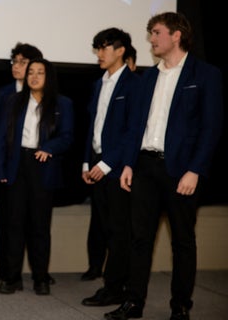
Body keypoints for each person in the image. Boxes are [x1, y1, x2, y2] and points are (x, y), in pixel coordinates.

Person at [105, 12, 223, 320]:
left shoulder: (205, 75)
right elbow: (135, 126)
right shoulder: (148, 78)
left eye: (156, 33)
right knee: (139, 238)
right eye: (150, 34)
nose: (151, 39)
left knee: (183, 241)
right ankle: (134, 302)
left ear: (176, 35)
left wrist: (195, 169)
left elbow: (211, 128)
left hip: (182, 171)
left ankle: (180, 306)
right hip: (144, 167)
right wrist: (129, 164)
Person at [0, 58, 74, 295]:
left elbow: (68, 136)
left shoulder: (63, 103)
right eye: (31, 72)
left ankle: (41, 277)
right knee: (14, 224)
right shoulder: (13, 101)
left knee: (40, 226)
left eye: (40, 72)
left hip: (43, 166)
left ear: (49, 77)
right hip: (17, 165)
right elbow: (1, 136)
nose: (35, 76)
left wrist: (50, 147)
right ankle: (12, 278)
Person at [80, 28, 140, 307]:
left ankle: (115, 289)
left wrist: (105, 164)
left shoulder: (133, 84)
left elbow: (132, 132)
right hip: (96, 166)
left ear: (120, 50)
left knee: (119, 232)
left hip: (116, 171)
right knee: (104, 229)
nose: (100, 53)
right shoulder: (99, 83)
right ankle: (112, 284)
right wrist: (86, 162)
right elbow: (92, 126)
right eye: (98, 48)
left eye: (105, 48)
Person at [0, 42, 44, 283]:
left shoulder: (48, 95)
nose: (17, 66)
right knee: (8, 220)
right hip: (9, 167)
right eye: (15, 61)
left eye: (23, 62)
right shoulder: (4, 93)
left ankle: (37, 273)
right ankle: (6, 269)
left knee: (35, 222)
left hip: (35, 167)